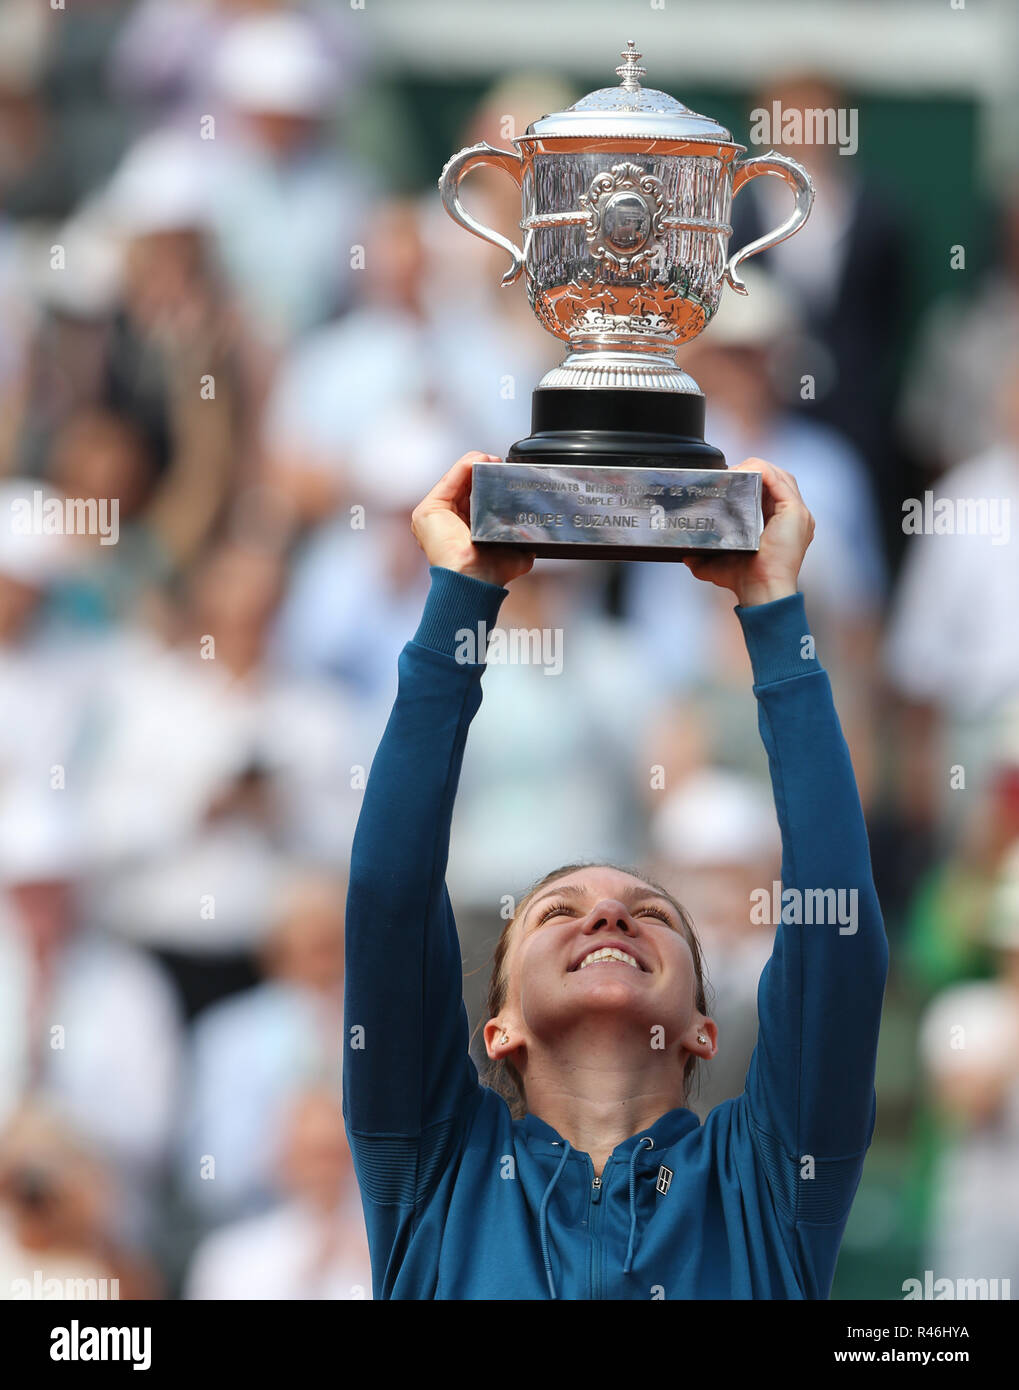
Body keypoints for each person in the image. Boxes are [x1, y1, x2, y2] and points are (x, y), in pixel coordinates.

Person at [343, 452, 888, 1300]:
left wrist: (773, 607)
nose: (607, 917)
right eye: (559, 910)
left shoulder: (771, 1178)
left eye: (652, 914)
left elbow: (836, 938)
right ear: (498, 1029)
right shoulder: (435, 1169)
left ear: (705, 1029)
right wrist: (462, 597)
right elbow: (388, 904)